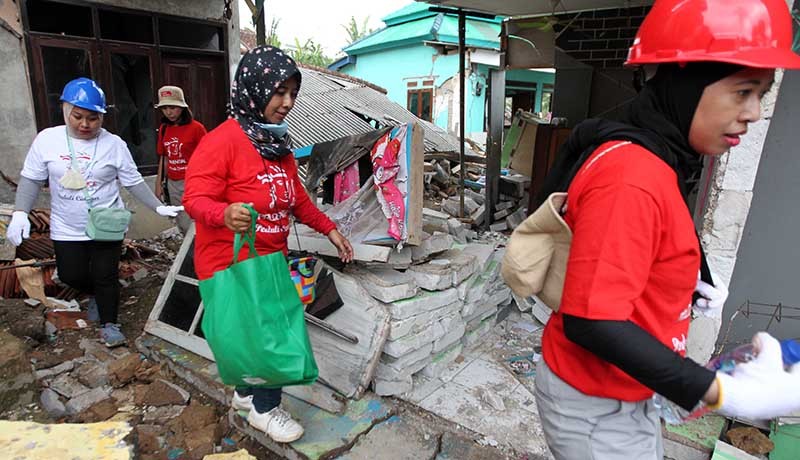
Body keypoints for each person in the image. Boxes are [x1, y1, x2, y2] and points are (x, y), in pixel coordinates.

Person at [532, 1, 800, 458]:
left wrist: (680, 283)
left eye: (763, 93)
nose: (754, 112)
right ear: (688, 82)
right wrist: (718, 392)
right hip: (597, 401)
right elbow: (591, 322)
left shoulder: (662, 157)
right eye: (742, 91)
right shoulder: (631, 177)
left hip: (628, 390)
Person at [183, 46, 354, 443]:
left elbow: (296, 198)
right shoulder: (222, 141)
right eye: (279, 92)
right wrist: (223, 214)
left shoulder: (278, 146)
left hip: (269, 258)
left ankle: (246, 396)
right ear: (255, 89)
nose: (287, 103)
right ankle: (265, 409)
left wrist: (329, 229)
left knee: (257, 333)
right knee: (267, 334)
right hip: (230, 259)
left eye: (292, 93)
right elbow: (194, 199)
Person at [5, 77, 184, 347]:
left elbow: (133, 181)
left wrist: (157, 206)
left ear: (102, 117)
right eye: (78, 116)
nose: (85, 124)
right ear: (65, 109)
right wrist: (20, 212)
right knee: (70, 274)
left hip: (106, 224)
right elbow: (31, 178)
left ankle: (110, 323)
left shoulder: (114, 144)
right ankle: (100, 295)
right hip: (67, 226)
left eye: (93, 118)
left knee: (105, 274)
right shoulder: (47, 140)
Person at [154, 85, 207, 234]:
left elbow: (207, 157)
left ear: (182, 107)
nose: (169, 112)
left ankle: (199, 251)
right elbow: (164, 157)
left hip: (193, 180)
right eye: (165, 108)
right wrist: (159, 184)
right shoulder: (164, 129)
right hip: (173, 183)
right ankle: (190, 252)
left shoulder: (197, 128)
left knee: (196, 219)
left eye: (172, 107)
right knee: (182, 220)